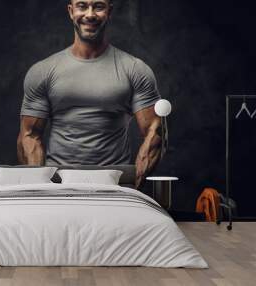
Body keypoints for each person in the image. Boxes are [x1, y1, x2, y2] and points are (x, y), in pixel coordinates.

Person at [17, 0, 162, 188]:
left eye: (99, 6)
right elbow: (29, 135)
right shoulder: (43, 71)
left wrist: (132, 185)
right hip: (57, 186)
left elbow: (155, 131)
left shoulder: (135, 70)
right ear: (71, 11)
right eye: (82, 6)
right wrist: (41, 187)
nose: (90, 14)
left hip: (113, 186)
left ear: (109, 12)